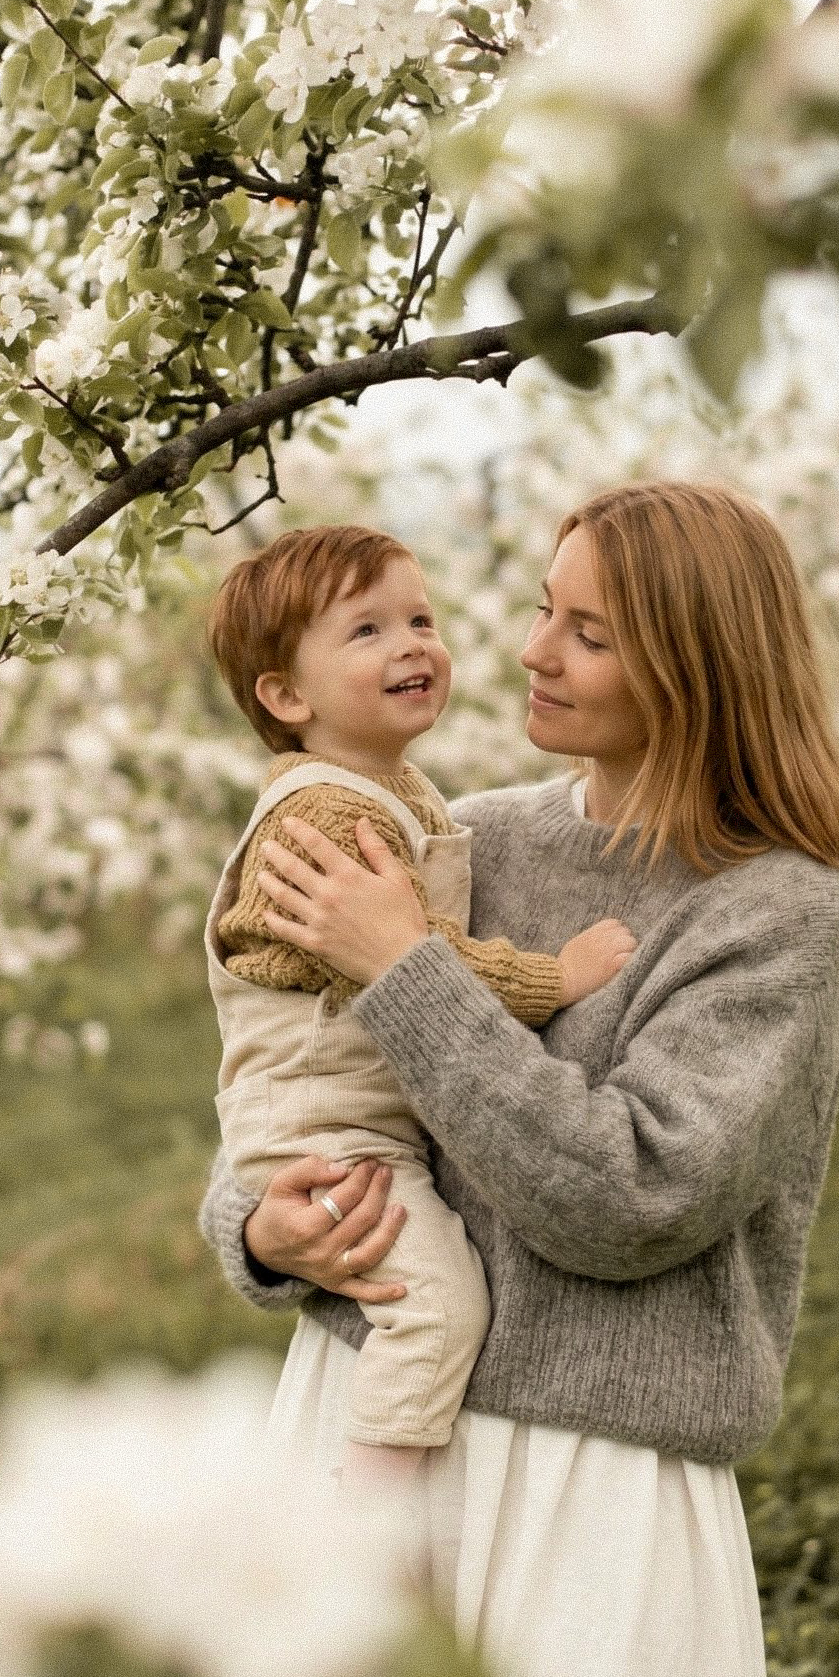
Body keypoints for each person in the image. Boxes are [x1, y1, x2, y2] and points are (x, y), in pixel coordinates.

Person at [198, 480, 839, 1677]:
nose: (528, 650)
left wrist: (405, 966)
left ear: (696, 667)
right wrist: (257, 1223)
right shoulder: (463, 838)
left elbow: (634, 1194)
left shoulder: (774, 910)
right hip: (367, 1413)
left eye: (589, 632)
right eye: (547, 608)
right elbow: (297, 1059)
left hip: (588, 1483)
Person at [204, 523, 636, 1488]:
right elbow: (408, 964)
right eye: (366, 632)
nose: (413, 645)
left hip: (341, 1116)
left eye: (421, 618)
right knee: (435, 1310)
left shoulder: (397, 791)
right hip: (330, 1126)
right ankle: (369, 1516)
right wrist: (553, 981)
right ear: (285, 695)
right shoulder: (330, 815)